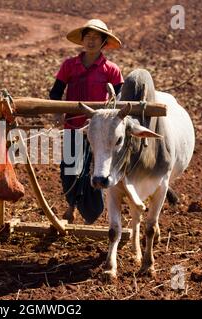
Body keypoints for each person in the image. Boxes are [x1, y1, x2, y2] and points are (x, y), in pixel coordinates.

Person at [49, 19, 124, 224]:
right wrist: (56, 112)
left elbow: (120, 100)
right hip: (73, 126)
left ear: (103, 42)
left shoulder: (111, 70)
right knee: (70, 169)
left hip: (98, 132)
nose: (91, 41)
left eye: (96, 38)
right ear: (82, 41)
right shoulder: (69, 66)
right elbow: (56, 92)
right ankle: (71, 206)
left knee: (93, 169)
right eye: (88, 37)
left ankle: (92, 212)